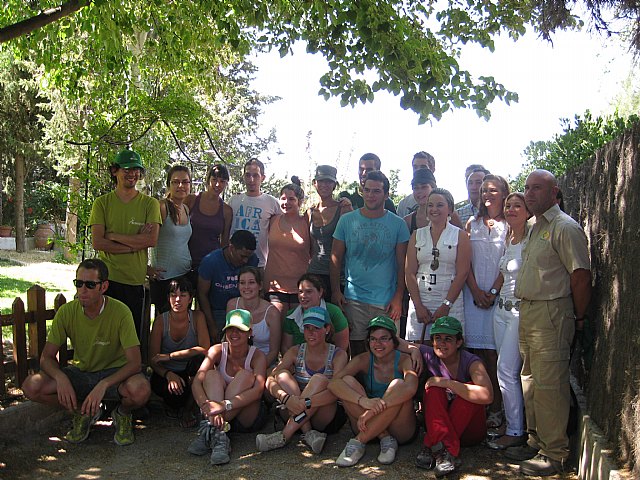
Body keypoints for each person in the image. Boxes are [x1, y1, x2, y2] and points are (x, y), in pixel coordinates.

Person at [506, 170, 591, 476]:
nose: (529, 193)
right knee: (529, 378)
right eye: (527, 188)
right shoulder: (534, 226)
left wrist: (578, 318)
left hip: (552, 313)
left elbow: (580, 276)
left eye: (537, 188)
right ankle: (536, 440)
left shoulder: (564, 228)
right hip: (529, 311)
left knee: (550, 384)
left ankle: (554, 453)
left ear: (555, 192)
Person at [21, 259, 150, 446]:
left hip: (114, 374)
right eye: (79, 283)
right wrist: (60, 378)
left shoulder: (121, 312)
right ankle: (83, 412)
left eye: (90, 285)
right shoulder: (66, 312)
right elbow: (46, 358)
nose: (83, 290)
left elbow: (134, 362)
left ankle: (122, 413)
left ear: (103, 286)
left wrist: (104, 384)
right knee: (31, 387)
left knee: (141, 390)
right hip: (81, 373)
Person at [331, 170, 410, 355]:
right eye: (366, 190)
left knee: (389, 350)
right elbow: (335, 258)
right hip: (353, 298)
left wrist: (398, 296)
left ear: (386, 194)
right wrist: (336, 291)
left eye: (376, 191)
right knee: (357, 350)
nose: (370, 195)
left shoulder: (398, 224)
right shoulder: (346, 221)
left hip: (386, 301)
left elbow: (402, 264)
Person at [89, 149, 162, 341]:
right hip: (107, 281)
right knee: (106, 335)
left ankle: (131, 371)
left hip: (135, 281)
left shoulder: (150, 204)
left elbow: (151, 240)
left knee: (131, 337)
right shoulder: (102, 203)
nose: (132, 173)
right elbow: (98, 242)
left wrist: (113, 236)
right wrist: (133, 245)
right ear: (115, 171)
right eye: (126, 169)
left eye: (136, 169)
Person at [255, 307, 349, 453]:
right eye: (307, 328)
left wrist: (304, 402)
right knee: (282, 375)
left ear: (327, 329)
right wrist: (286, 398)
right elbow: (270, 379)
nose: (311, 333)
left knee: (320, 380)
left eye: (316, 328)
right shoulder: (295, 351)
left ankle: (284, 435)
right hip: (294, 409)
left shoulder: (338, 355)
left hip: (324, 413)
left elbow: (338, 391)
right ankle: (308, 432)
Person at [328, 316, 418, 467]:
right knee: (346, 381)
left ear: (394, 341)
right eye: (373, 339)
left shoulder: (403, 360)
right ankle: (384, 437)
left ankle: (359, 441)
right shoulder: (363, 359)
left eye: (384, 338)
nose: (378, 344)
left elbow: (410, 388)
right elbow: (333, 384)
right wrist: (363, 401)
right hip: (368, 423)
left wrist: (374, 409)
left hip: (398, 428)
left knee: (398, 385)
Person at [414, 316, 493, 477]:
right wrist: (413, 350)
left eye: (448, 339)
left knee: (470, 389)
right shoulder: (430, 354)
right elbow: (398, 342)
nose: (441, 343)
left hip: (470, 431)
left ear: (459, 342)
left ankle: (434, 446)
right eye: (437, 338)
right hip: (441, 428)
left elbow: (487, 395)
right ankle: (445, 454)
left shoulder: (472, 362)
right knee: (432, 389)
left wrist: (448, 383)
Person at [188, 309, 268, 465]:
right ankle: (219, 435)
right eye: (230, 329)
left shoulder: (257, 356)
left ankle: (212, 431)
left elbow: (258, 390)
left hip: (246, 417)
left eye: (240, 329)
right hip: (217, 414)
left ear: (249, 332)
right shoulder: (216, 350)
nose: (234, 333)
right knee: (210, 375)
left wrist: (222, 405)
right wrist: (207, 405)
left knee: (245, 375)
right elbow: (197, 381)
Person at [463, 174, 509, 428]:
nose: (487, 194)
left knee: (493, 355)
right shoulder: (473, 223)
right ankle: (474, 408)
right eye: (484, 190)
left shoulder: (510, 224)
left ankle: (496, 407)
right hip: (472, 297)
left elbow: (510, 260)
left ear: (504, 192)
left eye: (493, 190)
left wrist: (492, 291)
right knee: (472, 353)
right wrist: (476, 290)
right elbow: (465, 262)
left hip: (498, 298)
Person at [486, 192, 530, 450]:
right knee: (505, 372)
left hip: (518, 312)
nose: (512, 210)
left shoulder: (532, 239)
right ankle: (512, 422)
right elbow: (503, 274)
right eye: (508, 206)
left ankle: (515, 430)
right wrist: (492, 293)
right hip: (500, 311)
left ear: (528, 211)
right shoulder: (508, 238)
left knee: (506, 371)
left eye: (517, 206)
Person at [405, 188, 471, 342]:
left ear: (450, 209)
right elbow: (409, 272)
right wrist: (418, 306)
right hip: (420, 301)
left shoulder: (460, 235)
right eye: (430, 205)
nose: (434, 209)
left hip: (450, 302)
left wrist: (446, 305)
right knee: (418, 353)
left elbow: (462, 273)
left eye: (440, 205)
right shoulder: (416, 234)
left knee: (448, 350)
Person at [148, 277, 210, 427]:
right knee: (174, 398)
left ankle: (188, 409)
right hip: (167, 372)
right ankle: (172, 405)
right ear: (168, 298)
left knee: (201, 361)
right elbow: (153, 359)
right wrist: (169, 375)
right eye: (173, 295)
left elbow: (205, 349)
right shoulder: (161, 321)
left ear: (190, 299)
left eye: (183, 295)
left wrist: (171, 356)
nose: (177, 300)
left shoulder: (197, 317)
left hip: (190, 371)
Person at [197, 229, 259, 342]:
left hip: (244, 308)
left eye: (248, 257)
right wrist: (211, 326)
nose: (245, 261)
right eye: (242, 256)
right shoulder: (210, 262)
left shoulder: (252, 260)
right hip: (217, 311)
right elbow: (202, 294)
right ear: (231, 248)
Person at [264, 178, 311, 320]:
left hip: (300, 286)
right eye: (283, 198)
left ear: (300, 201)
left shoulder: (307, 221)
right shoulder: (273, 220)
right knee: (277, 328)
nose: (286, 203)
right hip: (274, 285)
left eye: (291, 199)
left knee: (296, 331)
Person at [149, 165, 193, 315]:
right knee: (163, 324)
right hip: (164, 278)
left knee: (182, 323)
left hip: (185, 275)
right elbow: (145, 240)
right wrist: (146, 268)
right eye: (176, 182)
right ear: (169, 184)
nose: (181, 186)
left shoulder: (186, 209)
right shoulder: (161, 207)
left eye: (185, 182)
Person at [306, 165, 353, 301]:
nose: (324, 185)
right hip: (314, 273)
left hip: (338, 275)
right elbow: (311, 246)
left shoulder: (343, 208)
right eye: (320, 181)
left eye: (328, 181)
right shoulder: (310, 212)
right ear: (315, 183)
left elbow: (350, 244)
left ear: (334, 185)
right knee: (314, 317)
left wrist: (337, 289)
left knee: (336, 318)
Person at [228, 158, 281, 267]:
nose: (251, 180)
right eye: (247, 175)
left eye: (255, 175)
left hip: (259, 263)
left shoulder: (272, 203)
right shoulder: (234, 200)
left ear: (263, 177)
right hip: (233, 261)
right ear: (243, 177)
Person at [227, 266, 281, 368]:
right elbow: (228, 340)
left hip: (265, 362)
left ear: (260, 286)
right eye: (242, 283)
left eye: (251, 282)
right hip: (236, 363)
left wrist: (257, 370)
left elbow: (274, 352)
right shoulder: (232, 305)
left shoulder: (272, 313)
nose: (246, 287)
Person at [282, 273, 350, 353]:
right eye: (300, 292)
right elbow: (286, 348)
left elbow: (342, 348)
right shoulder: (290, 316)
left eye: (309, 291)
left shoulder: (334, 312)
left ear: (320, 292)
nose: (303, 296)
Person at [186, 164, 233, 273]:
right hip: (186, 261)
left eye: (222, 181)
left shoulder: (227, 210)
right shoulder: (191, 199)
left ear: (226, 184)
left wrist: (222, 266)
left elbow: (224, 242)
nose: (217, 184)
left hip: (211, 264)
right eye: (214, 180)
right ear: (208, 180)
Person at [397, 151, 436, 218]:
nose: (418, 170)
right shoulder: (403, 204)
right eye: (415, 167)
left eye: (423, 167)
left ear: (432, 169)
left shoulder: (446, 201)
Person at [402, 168, 437, 234]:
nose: (419, 191)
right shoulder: (407, 221)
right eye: (416, 188)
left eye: (424, 187)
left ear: (433, 188)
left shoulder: (448, 215)